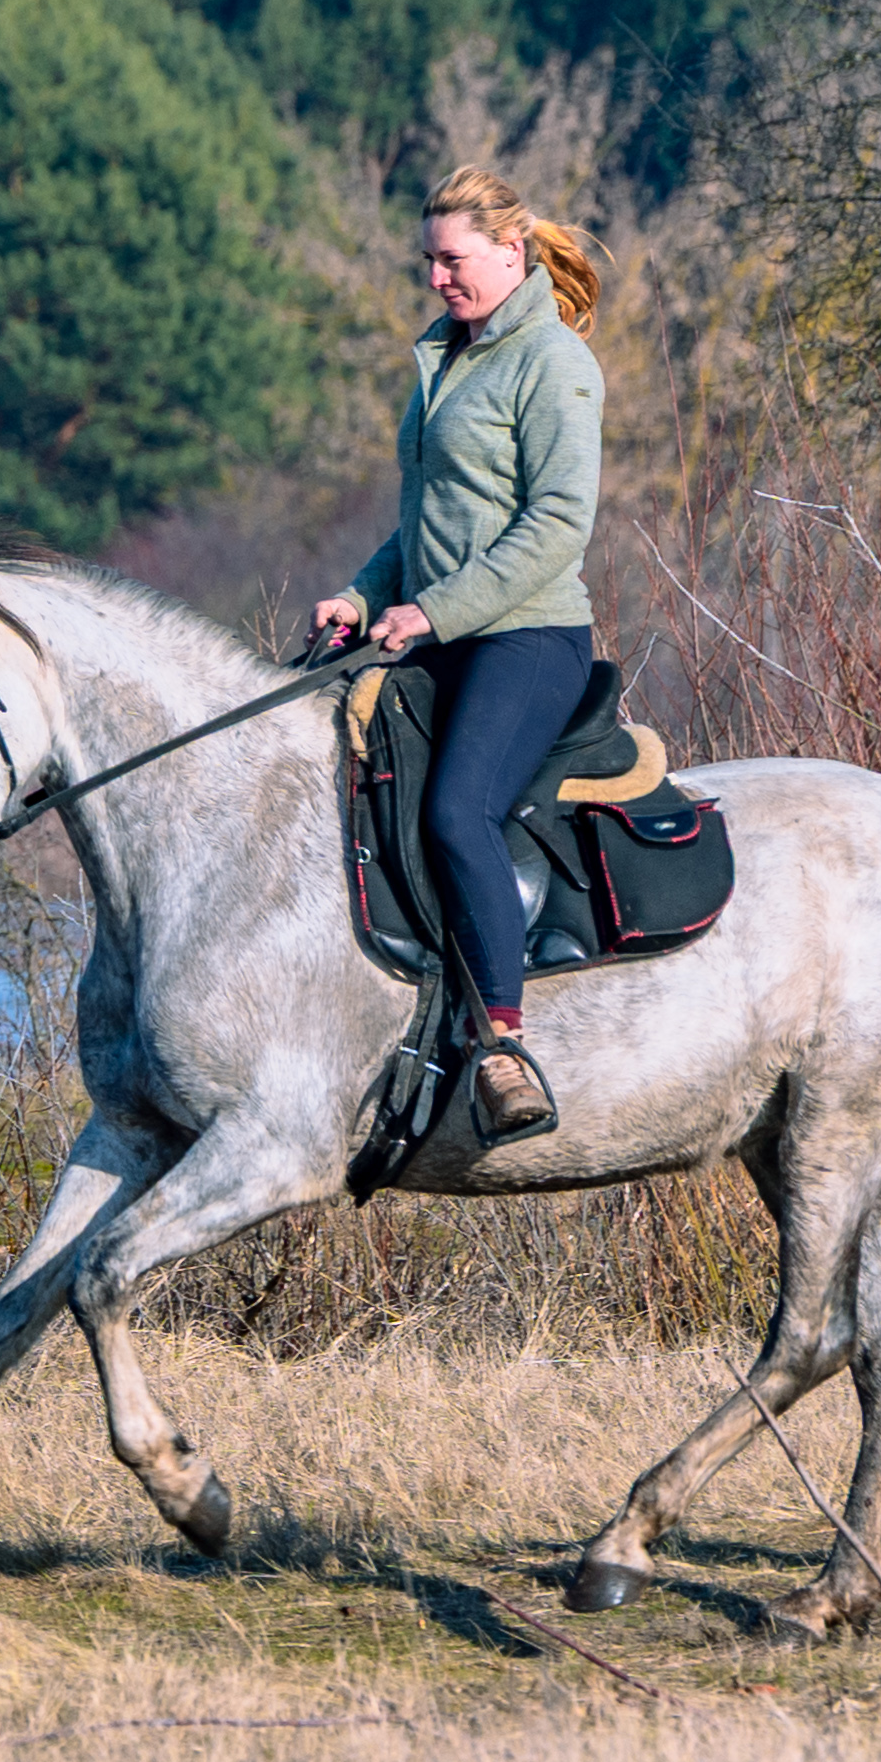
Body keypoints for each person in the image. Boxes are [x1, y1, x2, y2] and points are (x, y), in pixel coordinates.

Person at [310, 167, 604, 1143]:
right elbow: (422, 526)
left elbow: (556, 523)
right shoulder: (447, 359)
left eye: (452, 258)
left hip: (527, 637)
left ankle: (503, 1048)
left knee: (454, 806)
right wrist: (363, 596)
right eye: (427, 261)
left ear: (508, 254)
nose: (436, 277)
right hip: (439, 629)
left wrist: (430, 612)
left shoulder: (551, 360)